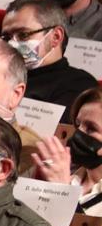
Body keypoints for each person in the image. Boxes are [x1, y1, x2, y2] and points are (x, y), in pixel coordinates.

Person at [0, 0, 99, 114]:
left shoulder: (78, 83)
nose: (12, 43)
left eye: (23, 35)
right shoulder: (1, 76)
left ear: (56, 37)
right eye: (7, 37)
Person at [31, 87, 102, 216]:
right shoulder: (68, 177)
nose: (78, 133)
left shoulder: (61, 180)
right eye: (78, 124)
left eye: (91, 128)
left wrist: (62, 191)